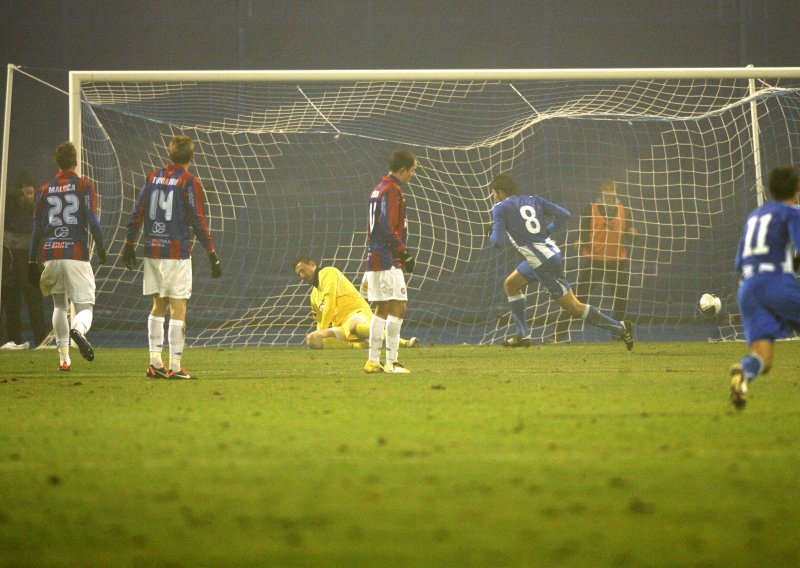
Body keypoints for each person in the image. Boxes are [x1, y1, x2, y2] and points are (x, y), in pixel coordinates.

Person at [487, 172, 633, 349]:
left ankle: (620, 327)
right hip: (546, 255)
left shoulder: (500, 208)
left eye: (494, 193)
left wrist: (492, 231)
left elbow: (497, 242)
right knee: (511, 285)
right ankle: (522, 335)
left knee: (574, 307)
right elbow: (564, 214)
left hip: (543, 263)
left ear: (501, 192)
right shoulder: (533, 199)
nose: (495, 197)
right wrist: (547, 231)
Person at [122, 135, 221, 380]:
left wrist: (128, 243)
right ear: (192, 158)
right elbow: (198, 219)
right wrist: (211, 253)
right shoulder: (189, 182)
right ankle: (175, 366)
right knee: (179, 306)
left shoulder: (152, 177)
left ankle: (155, 362)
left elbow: (138, 212)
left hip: (153, 250)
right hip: (176, 253)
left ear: (170, 154)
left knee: (158, 304)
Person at [28, 143, 107, 371]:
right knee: (85, 307)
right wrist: (101, 247)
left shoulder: (44, 189)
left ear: (57, 162)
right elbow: (92, 219)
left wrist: (32, 260)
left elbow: (37, 228)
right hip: (76, 254)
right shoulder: (83, 186)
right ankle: (79, 331)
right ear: (75, 161)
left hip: (51, 254)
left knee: (59, 306)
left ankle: (64, 358)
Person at [729, 165, 800, 409]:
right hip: (776, 282)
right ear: (797, 188)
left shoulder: (755, 216)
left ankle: (743, 373)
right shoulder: (792, 212)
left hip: (748, 288)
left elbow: (739, 262)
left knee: (763, 358)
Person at [554, 179, 636, 342]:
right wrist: (581, 242)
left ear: (616, 190)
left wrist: (632, 232)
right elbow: (585, 231)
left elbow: (628, 231)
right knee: (578, 299)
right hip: (595, 260)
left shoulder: (624, 211)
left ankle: (619, 334)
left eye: (611, 189)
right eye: (606, 189)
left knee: (621, 298)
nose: (609, 192)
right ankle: (559, 333)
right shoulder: (591, 209)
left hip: (617, 260)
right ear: (601, 191)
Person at [362, 149, 417, 374]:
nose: (413, 175)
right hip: (387, 257)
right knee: (399, 306)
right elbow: (387, 227)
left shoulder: (378, 189)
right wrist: (402, 252)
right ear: (402, 170)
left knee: (383, 307)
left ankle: (373, 361)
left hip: (377, 255)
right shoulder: (392, 190)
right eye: (412, 171)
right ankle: (391, 362)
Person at [293, 256, 418, 349]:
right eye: (299, 274)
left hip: (357, 314)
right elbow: (320, 321)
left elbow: (329, 306)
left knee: (354, 327)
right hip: (342, 326)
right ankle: (359, 345)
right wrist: (320, 332)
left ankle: (401, 342)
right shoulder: (313, 295)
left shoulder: (327, 273)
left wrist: (323, 329)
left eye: (303, 270)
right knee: (312, 339)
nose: (302, 275)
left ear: (312, 264)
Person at [2, 170, 47, 349]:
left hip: (30, 259)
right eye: (25, 192)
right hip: (10, 258)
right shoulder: (8, 204)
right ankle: (14, 340)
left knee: (34, 301)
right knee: (11, 301)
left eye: (31, 192)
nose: (29, 196)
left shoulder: (36, 207)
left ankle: (41, 340)